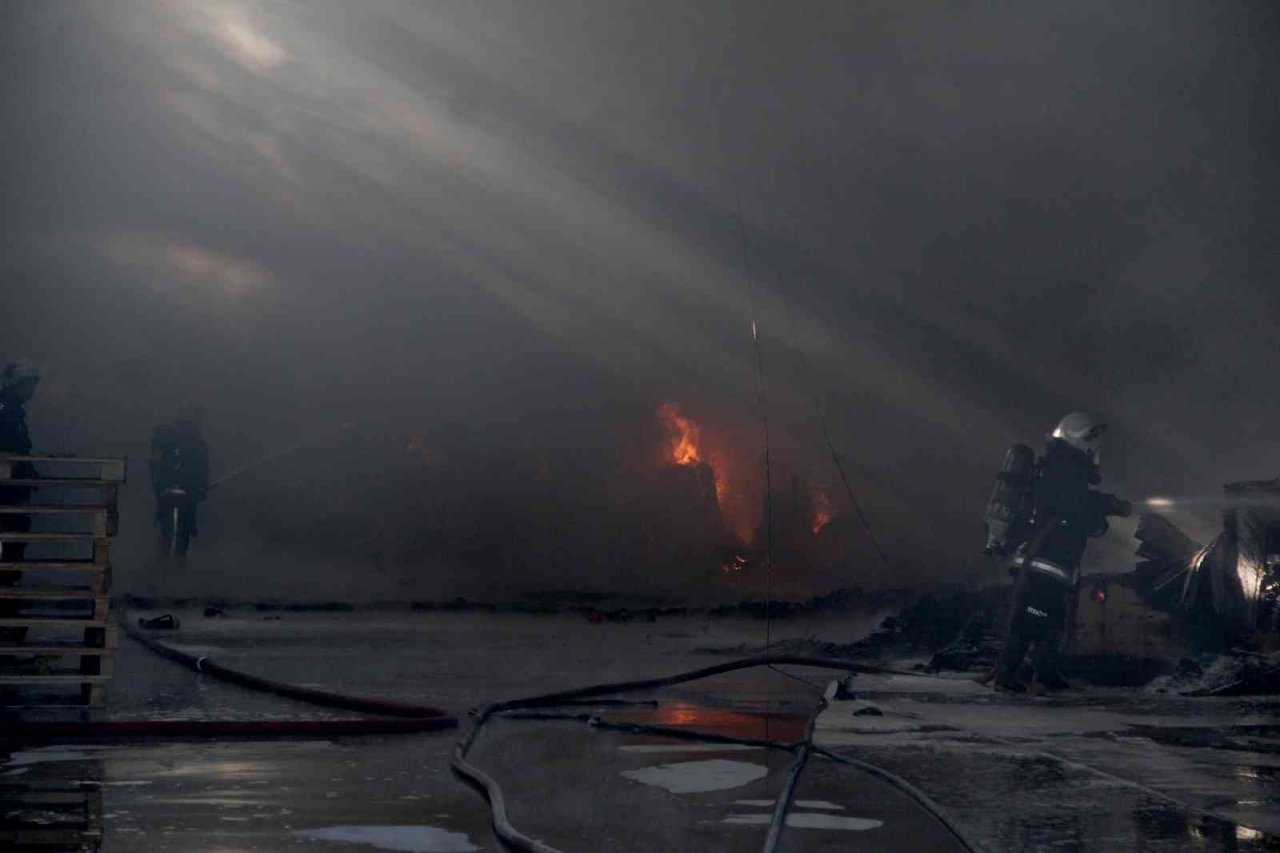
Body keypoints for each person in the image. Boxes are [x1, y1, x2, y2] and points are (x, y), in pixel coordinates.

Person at [987, 412, 1131, 692]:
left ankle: (1045, 676)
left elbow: (1076, 503)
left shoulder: (1061, 469)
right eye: (1093, 446)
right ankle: (1006, 678)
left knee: (1048, 620)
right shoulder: (1065, 470)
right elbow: (1075, 510)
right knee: (1033, 617)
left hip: (1047, 562)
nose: (1096, 454)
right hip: (1043, 561)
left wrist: (1108, 506)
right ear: (1082, 441)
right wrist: (1101, 517)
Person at [0, 360, 40, 643]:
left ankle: (8, 617)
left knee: (11, 560)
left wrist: (31, 471)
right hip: (6, 500)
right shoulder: (6, 411)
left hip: (14, 498)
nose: (32, 391)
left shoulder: (14, 412)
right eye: (28, 385)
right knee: (6, 559)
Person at [150, 404, 211, 549]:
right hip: (176, 494)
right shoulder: (169, 439)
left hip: (182, 495)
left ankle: (171, 564)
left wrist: (201, 488)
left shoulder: (198, 444)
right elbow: (155, 465)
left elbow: (203, 470)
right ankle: (169, 564)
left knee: (179, 533)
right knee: (173, 533)